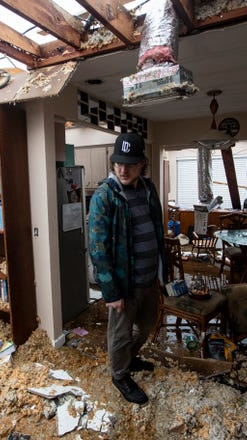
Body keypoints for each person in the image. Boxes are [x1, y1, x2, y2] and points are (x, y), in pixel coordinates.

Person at [88, 132, 166, 404]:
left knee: (145, 327)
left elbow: (158, 231)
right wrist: (111, 291)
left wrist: (163, 273)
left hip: (149, 279)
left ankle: (130, 360)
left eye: (130, 164)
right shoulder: (105, 196)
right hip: (124, 283)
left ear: (142, 164)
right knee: (120, 334)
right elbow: (98, 248)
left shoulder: (149, 189)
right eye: (118, 163)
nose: (123, 169)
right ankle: (120, 374)